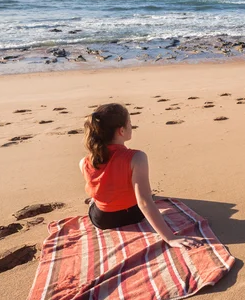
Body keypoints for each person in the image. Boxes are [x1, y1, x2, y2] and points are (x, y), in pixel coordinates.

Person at [80, 103, 202, 249]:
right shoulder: (137, 157)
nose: (132, 126)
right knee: (145, 194)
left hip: (102, 220)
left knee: (97, 198)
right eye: (129, 123)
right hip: (132, 215)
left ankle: (95, 201)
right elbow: (143, 202)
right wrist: (169, 238)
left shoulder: (84, 162)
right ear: (122, 130)